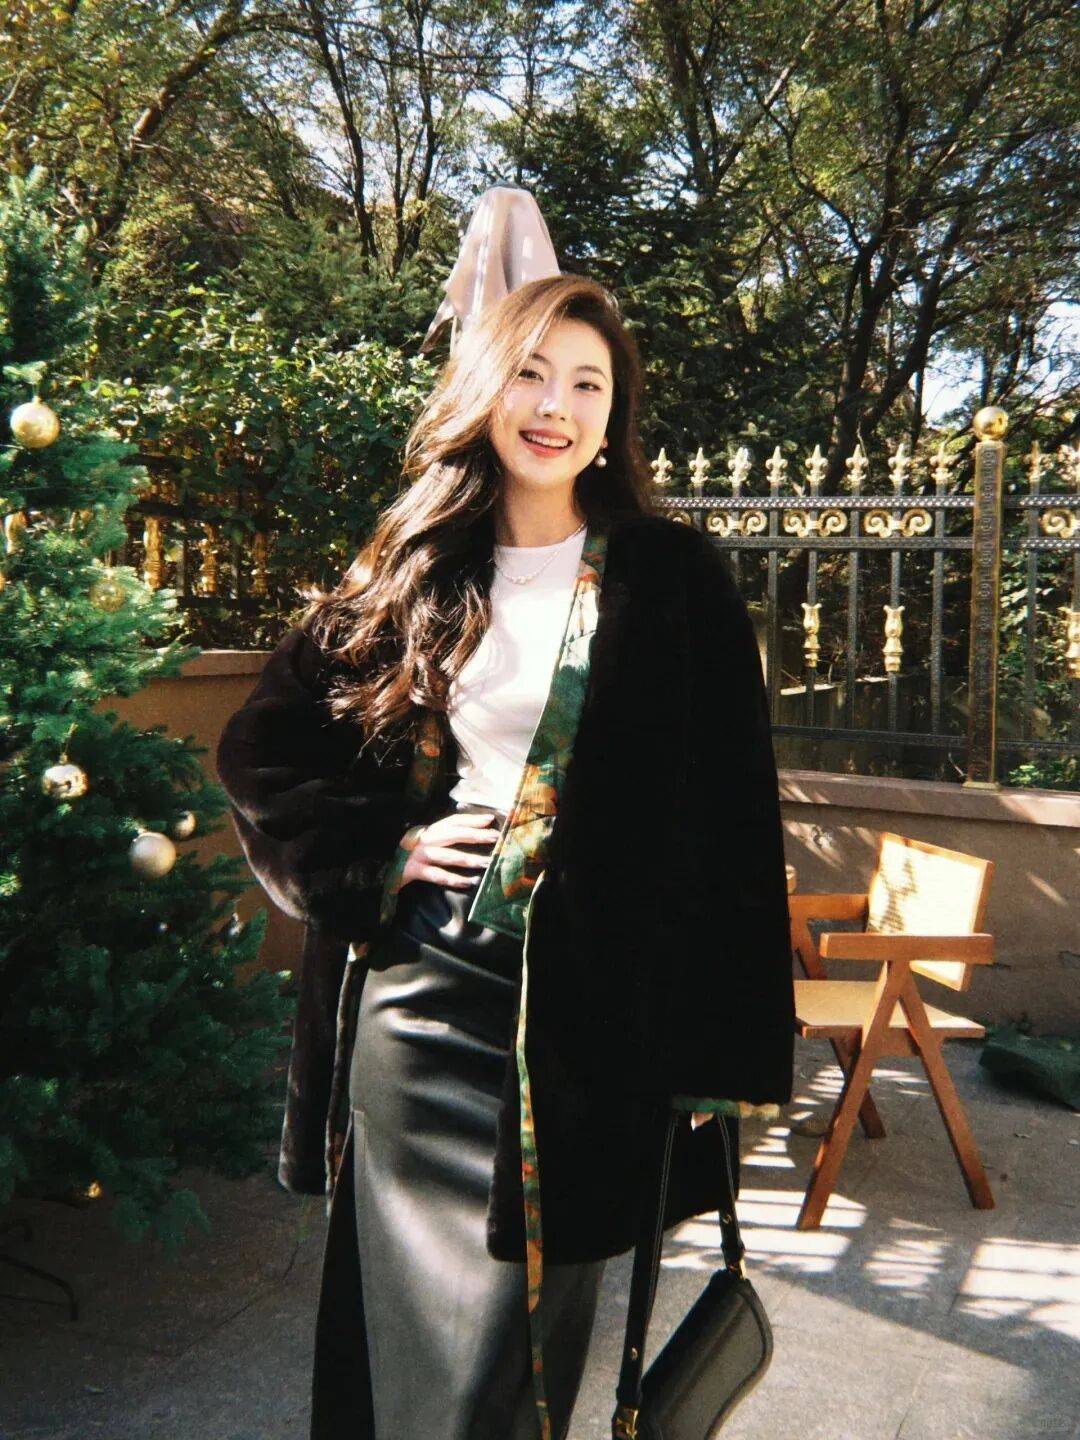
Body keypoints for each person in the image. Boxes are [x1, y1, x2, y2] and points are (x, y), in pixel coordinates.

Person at [215, 271, 795, 1440]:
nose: (556, 405)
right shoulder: (412, 568)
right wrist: (379, 854)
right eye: (532, 373)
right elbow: (262, 751)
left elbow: (732, 821)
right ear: (486, 390)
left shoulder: (671, 576)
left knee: (511, 1361)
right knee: (396, 1351)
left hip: (585, 1023)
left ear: (613, 417)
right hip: (422, 1000)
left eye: (588, 384)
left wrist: (713, 1060)